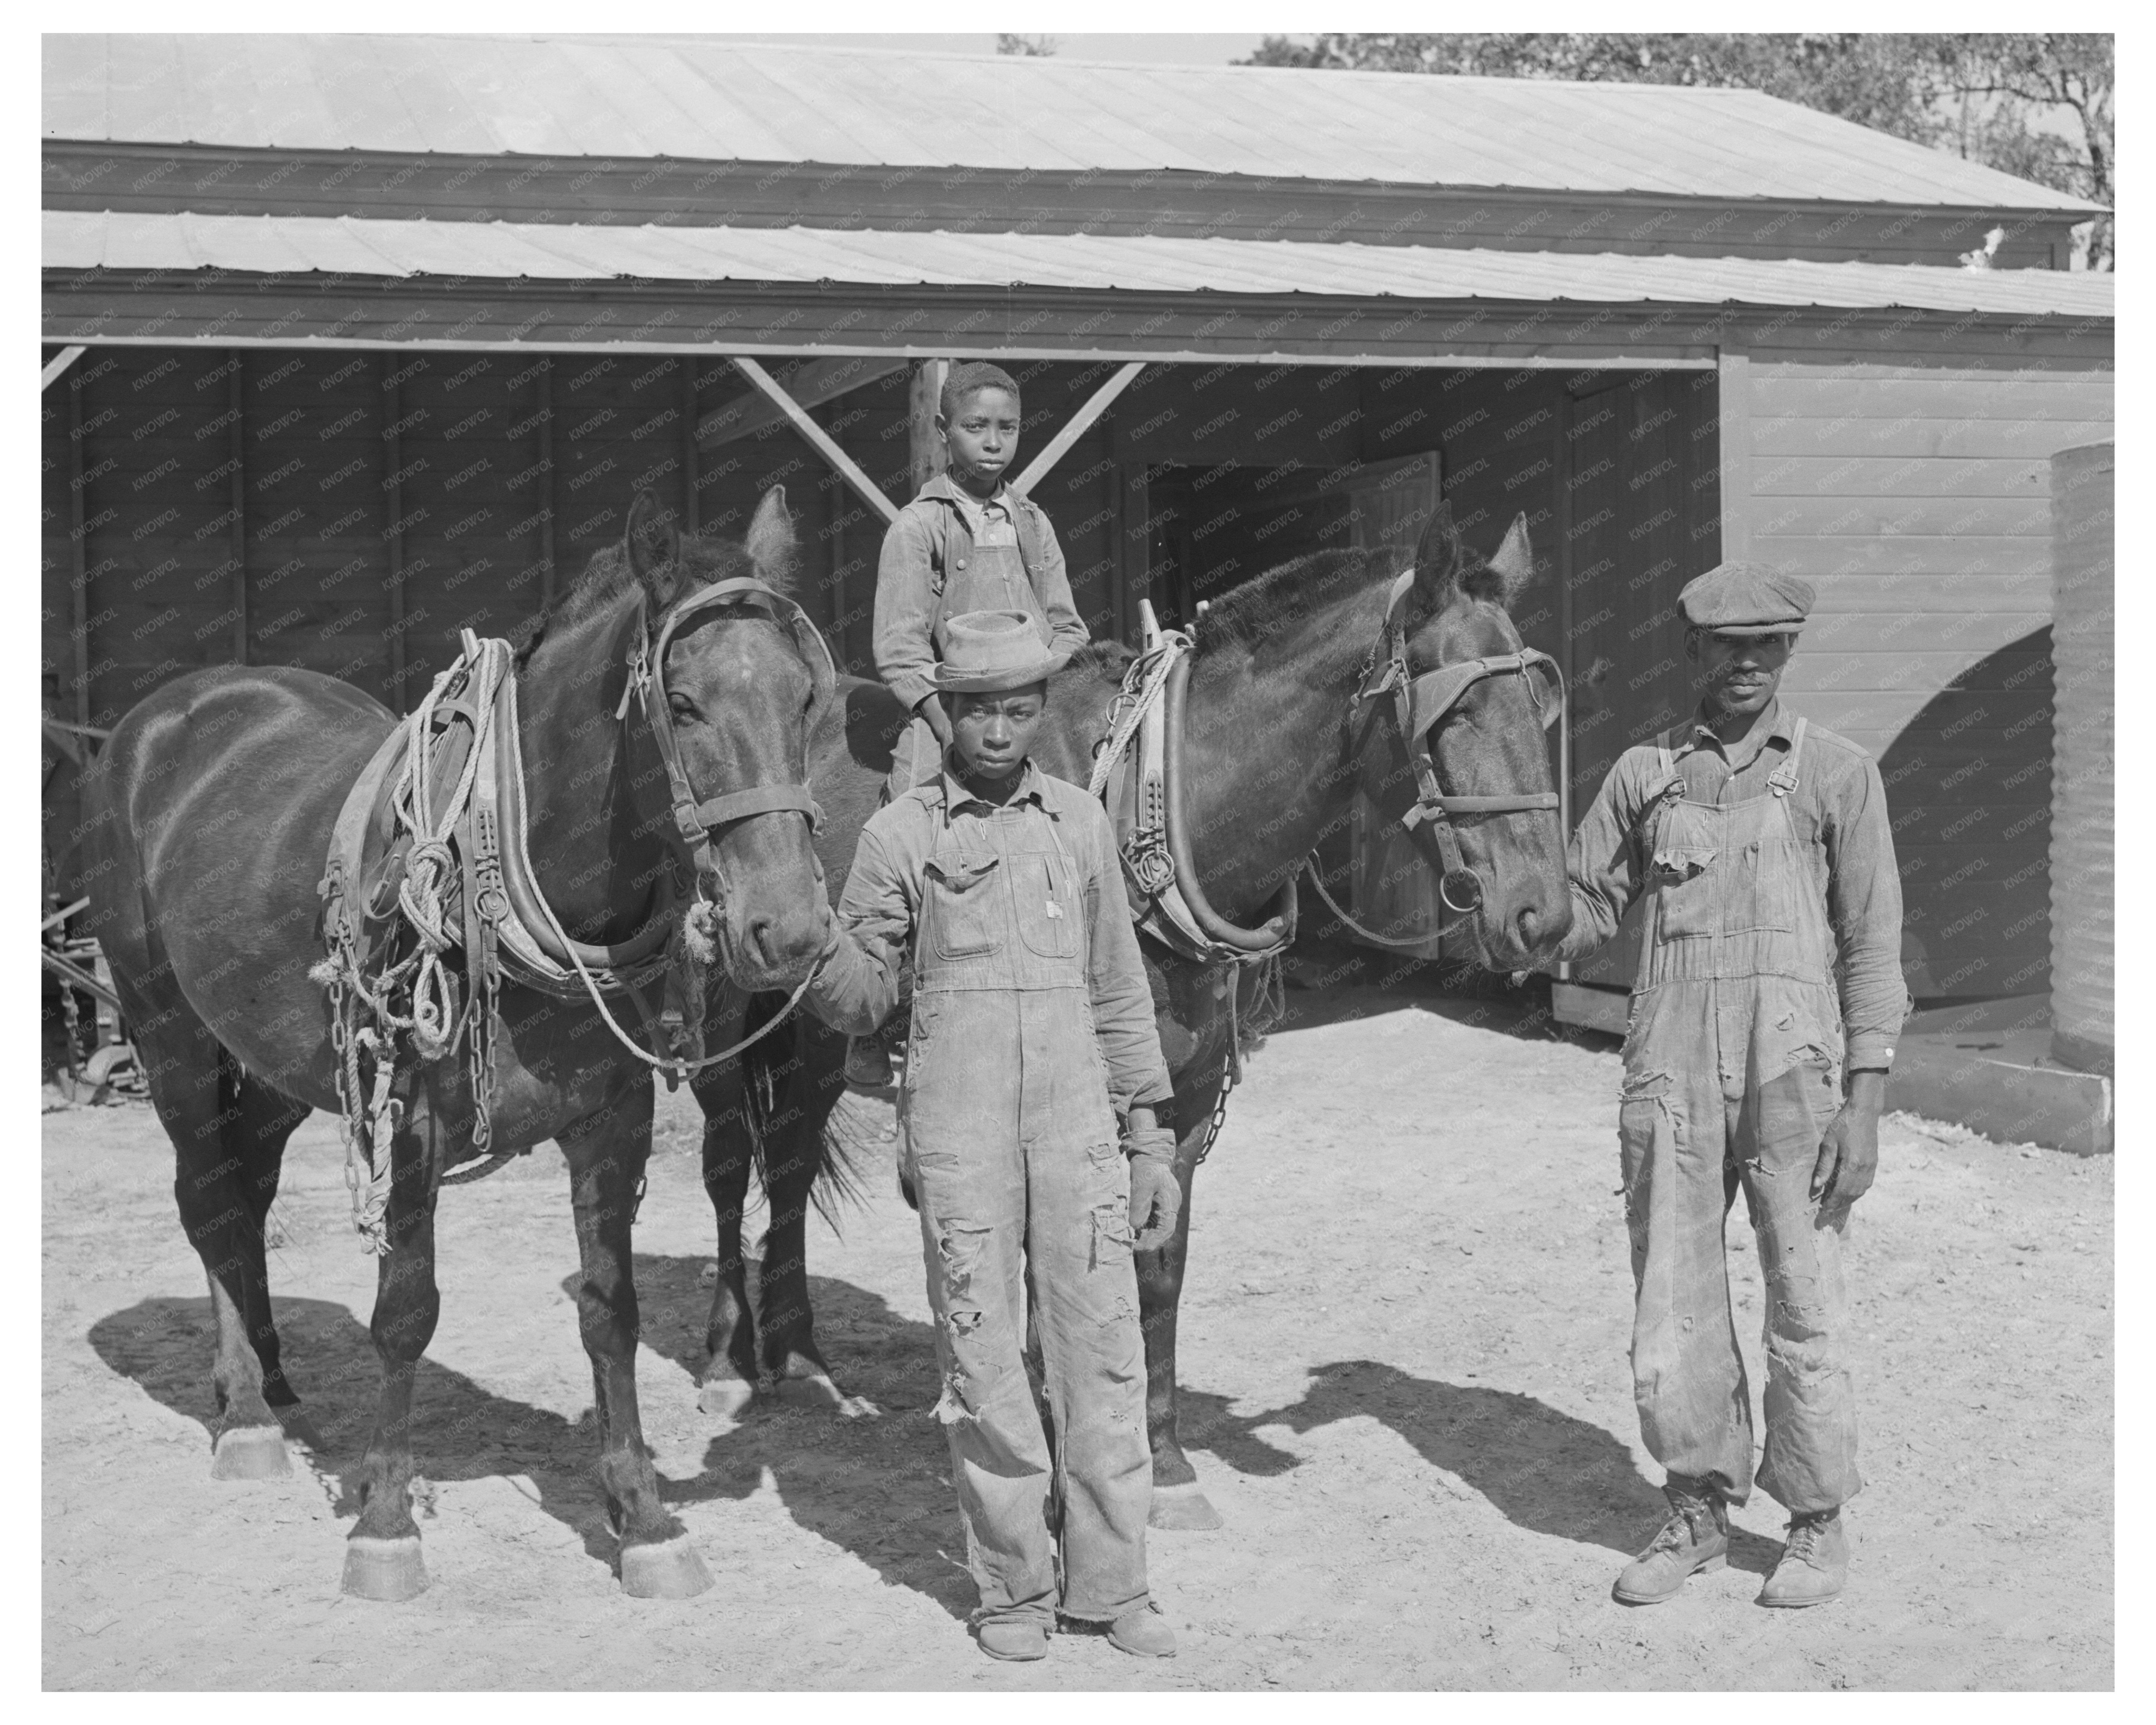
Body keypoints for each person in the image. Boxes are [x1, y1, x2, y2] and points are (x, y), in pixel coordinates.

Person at [805, 609, 1181, 1663]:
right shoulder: (898, 836)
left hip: (1078, 1135)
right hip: (960, 1135)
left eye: (1020, 708)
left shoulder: (1078, 824)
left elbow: (1117, 990)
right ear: (949, 714)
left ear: (1037, 711)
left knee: (1103, 1356)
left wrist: (1148, 1136)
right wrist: (806, 946)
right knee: (982, 1363)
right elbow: (862, 996)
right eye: (979, 710)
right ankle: (1012, 1588)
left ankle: (1113, 1587)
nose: (1000, 729)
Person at [1555, 562, 1910, 1610]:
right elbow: (1577, 912)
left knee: (1803, 1301)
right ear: (1694, 653)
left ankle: (1813, 1522)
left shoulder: (1836, 775)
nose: (1745, 662)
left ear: (1787, 654)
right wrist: (1512, 898)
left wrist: (1865, 1099)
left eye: (1765, 646)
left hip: (1793, 1075)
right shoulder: (1642, 775)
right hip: (1668, 1072)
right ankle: (1697, 1506)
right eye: (1726, 645)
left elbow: (1871, 950)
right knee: (1672, 1299)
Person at [851, 360, 1091, 1088]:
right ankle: (878, 1016)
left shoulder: (1031, 521)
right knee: (913, 834)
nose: (993, 443)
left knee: (1091, 818)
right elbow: (896, 645)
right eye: (976, 427)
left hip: (1023, 710)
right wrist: (947, 713)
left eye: (1007, 428)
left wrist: (1030, 685)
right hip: (943, 713)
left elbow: (1068, 626)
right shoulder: (918, 526)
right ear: (943, 430)